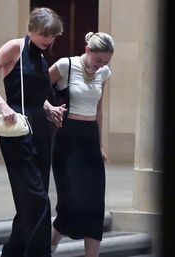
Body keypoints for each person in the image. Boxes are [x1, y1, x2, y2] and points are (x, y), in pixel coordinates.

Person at [0, 7, 63, 257]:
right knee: (37, 200)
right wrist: (1, 104)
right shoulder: (14, 47)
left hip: (40, 129)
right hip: (17, 130)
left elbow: (35, 95)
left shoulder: (41, 56)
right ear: (32, 30)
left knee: (32, 201)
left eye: (53, 37)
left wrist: (50, 108)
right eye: (45, 36)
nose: (49, 41)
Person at [44, 32, 115, 257]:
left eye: (106, 62)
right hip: (67, 140)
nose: (101, 66)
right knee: (70, 203)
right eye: (98, 60)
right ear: (87, 50)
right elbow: (36, 90)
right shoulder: (65, 65)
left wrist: (101, 144)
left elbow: (99, 110)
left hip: (90, 141)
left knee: (95, 204)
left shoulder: (103, 73)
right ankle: (48, 246)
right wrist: (48, 108)